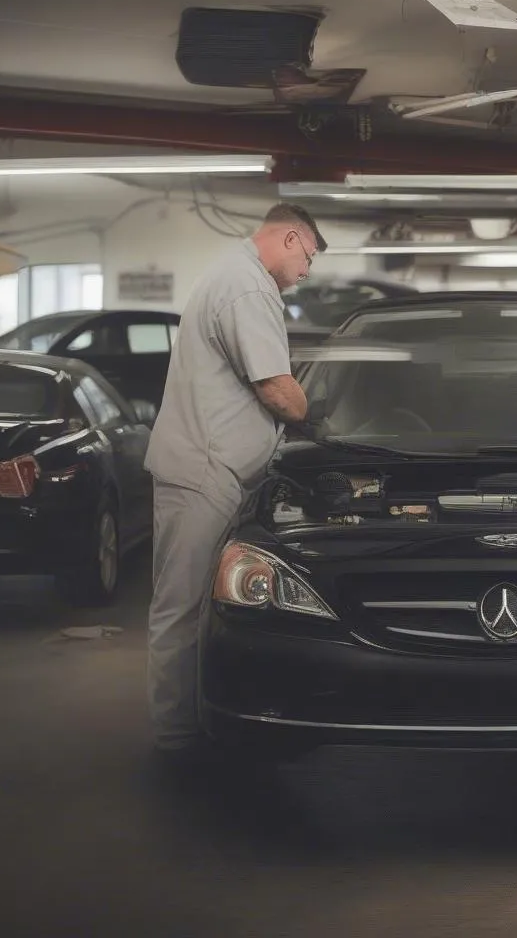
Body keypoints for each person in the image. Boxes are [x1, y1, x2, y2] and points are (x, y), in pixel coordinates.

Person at [143, 203, 326, 761]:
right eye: (310, 257)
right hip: (205, 472)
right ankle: (177, 740)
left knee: (206, 610)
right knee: (181, 608)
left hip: (217, 470)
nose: (308, 271)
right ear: (291, 238)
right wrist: (318, 414)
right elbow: (276, 388)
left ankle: (197, 723)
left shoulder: (236, 277)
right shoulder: (247, 288)